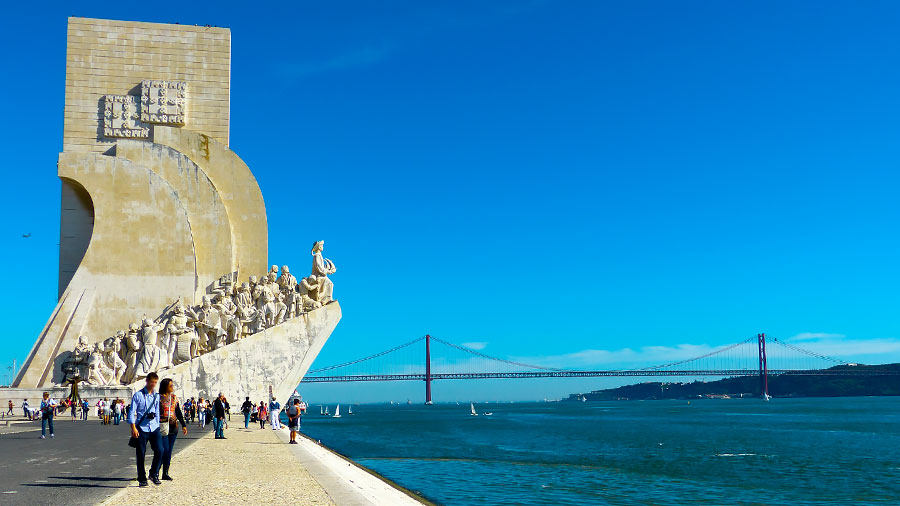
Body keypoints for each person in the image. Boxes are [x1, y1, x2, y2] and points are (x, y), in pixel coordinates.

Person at [128, 372, 162, 487]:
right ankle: (142, 478)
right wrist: (133, 428)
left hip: (154, 427)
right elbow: (132, 412)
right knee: (141, 454)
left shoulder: (157, 396)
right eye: (152, 382)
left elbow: (157, 411)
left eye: (155, 382)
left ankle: (153, 473)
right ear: (147, 381)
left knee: (160, 450)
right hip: (141, 428)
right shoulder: (138, 395)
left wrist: (157, 424)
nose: (153, 384)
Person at [157, 378, 188, 481]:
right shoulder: (158, 398)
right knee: (163, 450)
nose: (172, 387)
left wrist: (183, 425)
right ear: (165, 386)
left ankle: (165, 473)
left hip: (173, 426)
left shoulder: (174, 398)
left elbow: (178, 412)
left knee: (169, 451)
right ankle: (155, 471)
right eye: (170, 385)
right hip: (162, 426)